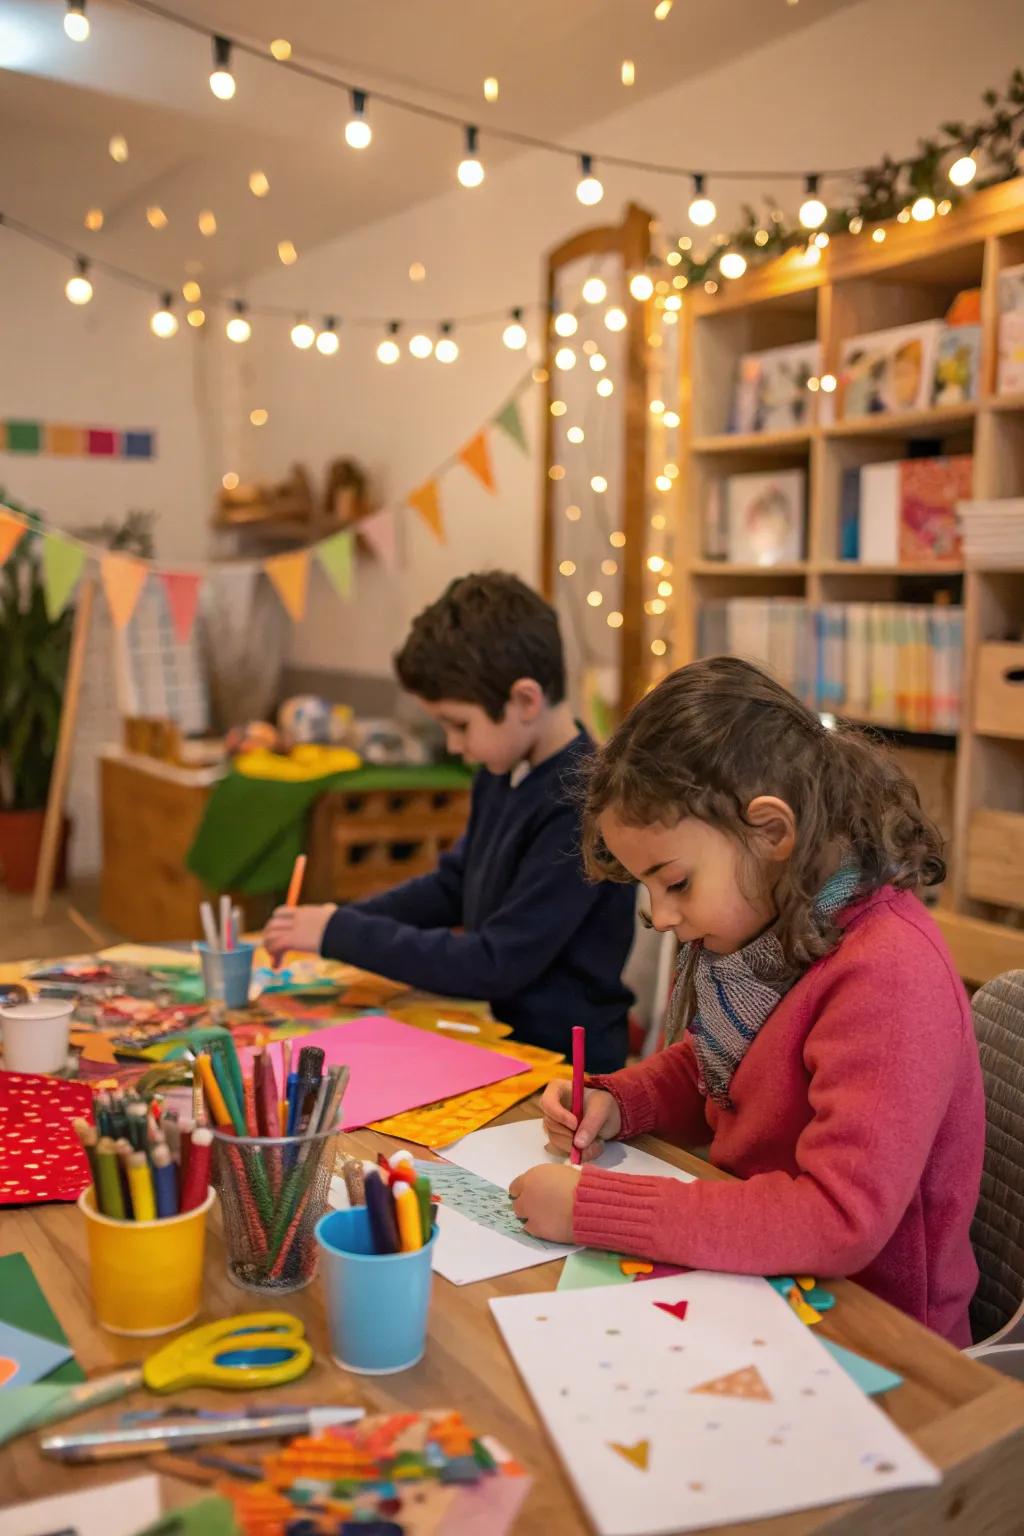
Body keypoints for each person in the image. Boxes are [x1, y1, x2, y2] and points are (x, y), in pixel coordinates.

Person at [509, 656, 984, 1345]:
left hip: (877, 1334)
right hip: (764, 1283)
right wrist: (622, 1102)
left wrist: (599, 1209)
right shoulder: (775, 925)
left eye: (674, 881)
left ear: (771, 832)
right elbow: (720, 1068)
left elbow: (837, 1218)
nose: (661, 915)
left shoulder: (889, 974)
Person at [263, 572, 635, 1070]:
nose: (456, 746)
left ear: (526, 700)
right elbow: (453, 885)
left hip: (564, 1068)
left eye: (459, 725)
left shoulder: (583, 802)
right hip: (495, 1037)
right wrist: (339, 918)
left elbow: (493, 963)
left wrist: (341, 932)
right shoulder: (501, 769)